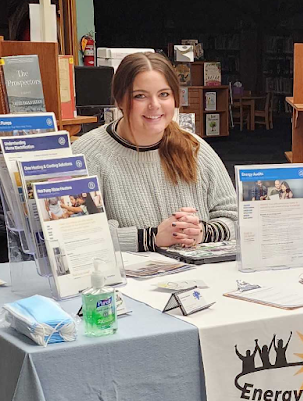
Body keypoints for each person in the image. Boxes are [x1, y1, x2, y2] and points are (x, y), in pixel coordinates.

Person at [72, 52, 238, 252]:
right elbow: (76, 234)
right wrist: (152, 238)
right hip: (127, 281)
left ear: (176, 98)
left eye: (164, 94)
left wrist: (202, 232)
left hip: (201, 278)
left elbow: (237, 218)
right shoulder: (85, 155)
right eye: (140, 96)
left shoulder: (195, 149)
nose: (154, 105)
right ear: (120, 100)